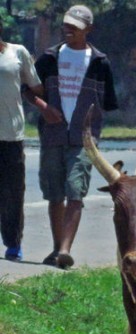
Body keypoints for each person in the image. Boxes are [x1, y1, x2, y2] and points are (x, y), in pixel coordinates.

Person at [33, 4, 117, 269]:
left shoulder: (100, 63)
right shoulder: (49, 58)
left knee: (75, 191)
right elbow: (28, 89)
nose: (68, 30)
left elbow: (108, 103)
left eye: (75, 27)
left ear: (88, 29)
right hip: (52, 135)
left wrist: (89, 123)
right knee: (55, 194)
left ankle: (65, 250)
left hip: (83, 139)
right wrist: (44, 107)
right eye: (66, 25)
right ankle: (57, 247)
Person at [0, 17, 48, 262]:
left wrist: (46, 104)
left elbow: (35, 86)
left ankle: (13, 243)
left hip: (11, 134)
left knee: (13, 193)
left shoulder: (17, 52)